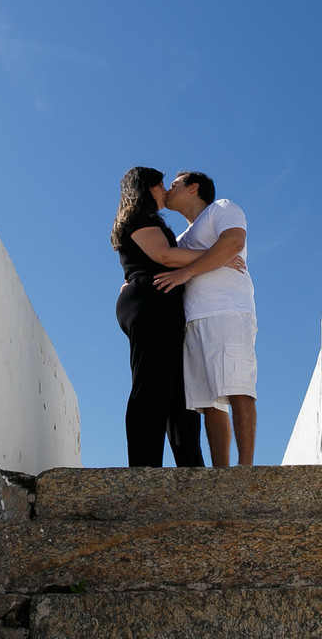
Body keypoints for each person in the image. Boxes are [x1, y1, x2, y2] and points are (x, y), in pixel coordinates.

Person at [111, 166, 246, 468]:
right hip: (150, 302)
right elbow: (165, 257)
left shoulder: (153, 222)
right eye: (160, 185)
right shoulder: (138, 218)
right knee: (152, 387)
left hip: (161, 305)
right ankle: (143, 471)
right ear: (145, 188)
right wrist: (220, 257)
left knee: (180, 396)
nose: (165, 190)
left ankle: (192, 471)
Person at [154, 171, 258, 467]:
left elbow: (233, 243)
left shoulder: (222, 208)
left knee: (238, 387)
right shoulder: (179, 239)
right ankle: (222, 473)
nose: (167, 190)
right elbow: (164, 259)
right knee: (209, 400)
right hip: (192, 320)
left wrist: (187, 272)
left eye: (173, 185)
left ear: (193, 188)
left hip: (227, 309)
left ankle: (246, 469)